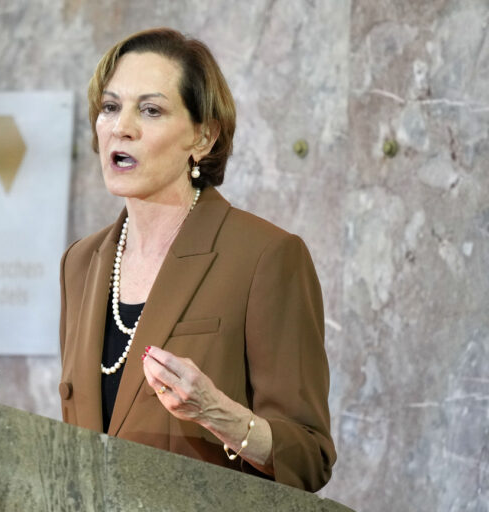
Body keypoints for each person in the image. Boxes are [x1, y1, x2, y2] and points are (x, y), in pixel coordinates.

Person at [58, 27, 336, 492]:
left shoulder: (265, 257)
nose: (121, 126)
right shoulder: (79, 263)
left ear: (203, 137)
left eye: (150, 109)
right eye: (110, 107)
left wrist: (218, 413)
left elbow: (309, 457)